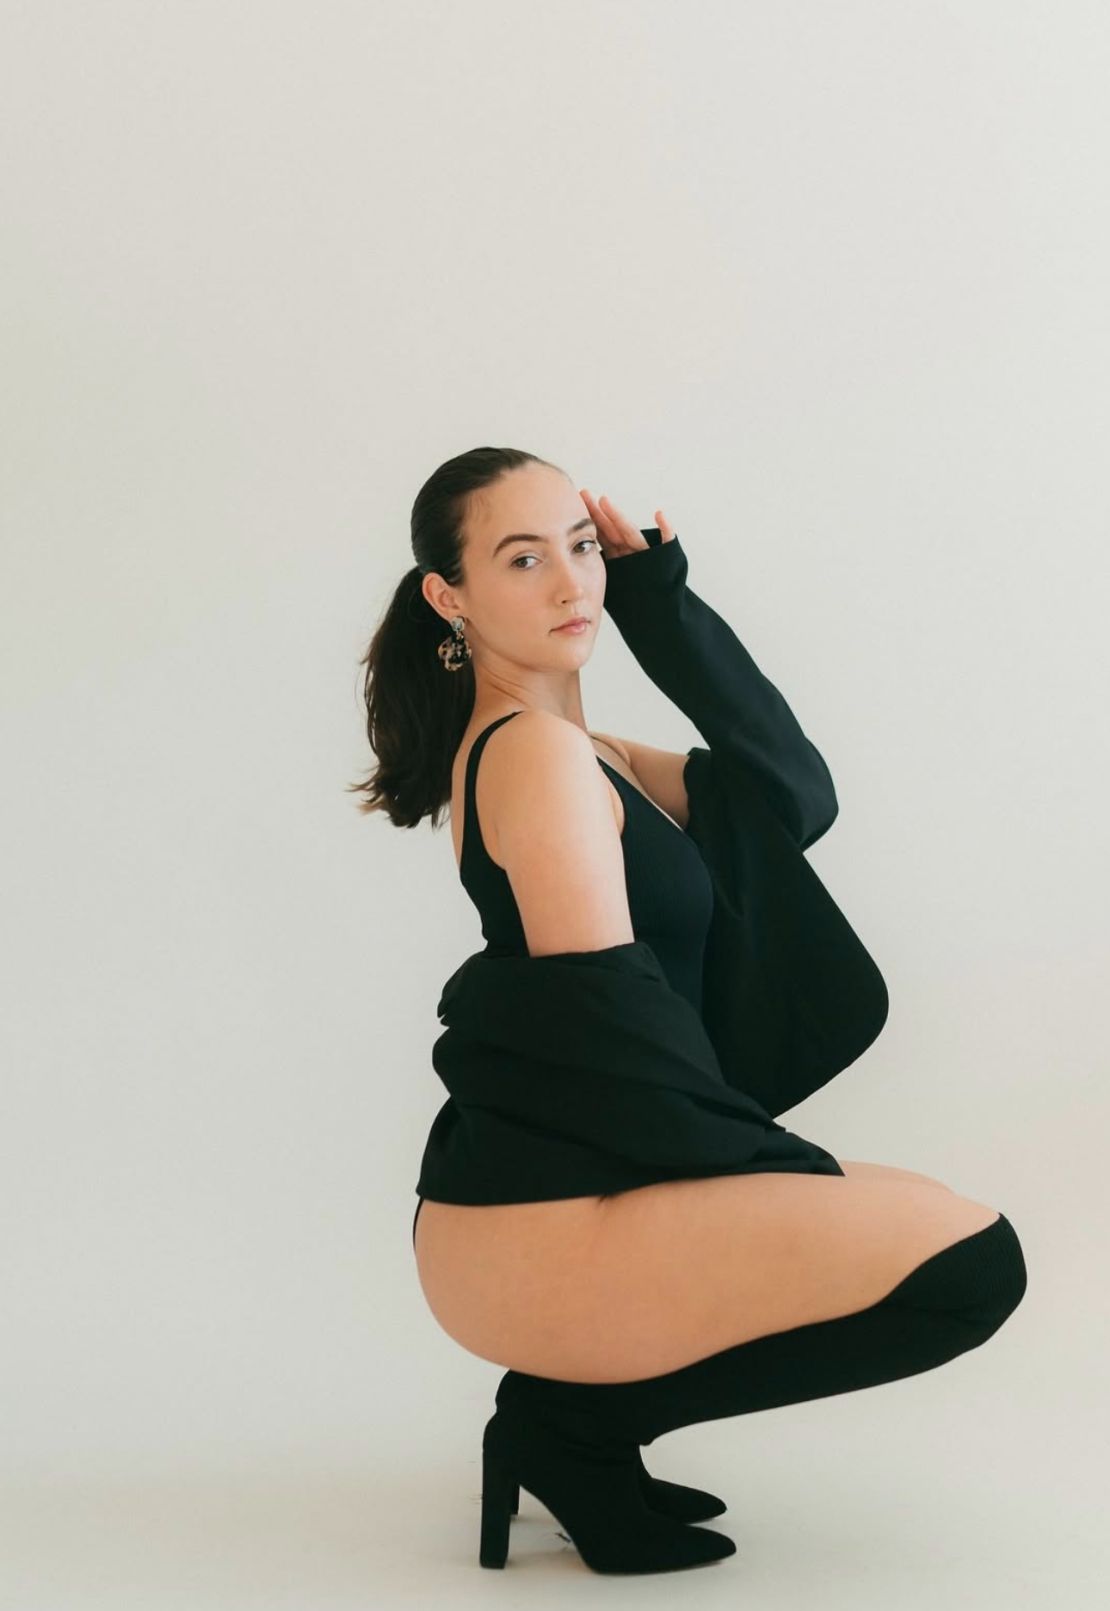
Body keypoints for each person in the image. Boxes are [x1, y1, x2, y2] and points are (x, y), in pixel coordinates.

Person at [348, 447, 1027, 1576]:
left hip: (561, 1190)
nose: (572, 582)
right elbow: (607, 1026)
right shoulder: (534, 759)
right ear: (449, 597)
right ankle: (571, 1426)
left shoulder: (588, 753)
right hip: (540, 1223)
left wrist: (660, 605)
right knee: (970, 1267)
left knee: (944, 1222)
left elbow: (791, 796)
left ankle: (574, 1422)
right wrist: (771, 1163)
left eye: (580, 547)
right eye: (523, 559)